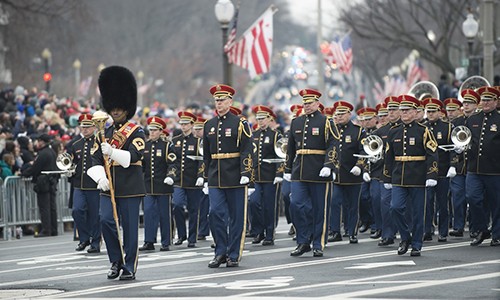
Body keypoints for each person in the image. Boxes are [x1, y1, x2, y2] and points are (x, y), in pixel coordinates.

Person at [87, 65, 146, 280]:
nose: (115, 111)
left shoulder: (137, 131)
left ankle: (129, 265)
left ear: (127, 108)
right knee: (106, 221)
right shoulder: (104, 132)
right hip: (108, 186)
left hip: (130, 186)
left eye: (120, 107)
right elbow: (93, 159)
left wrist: (112, 151)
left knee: (130, 230)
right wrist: (100, 178)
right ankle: (115, 261)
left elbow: (133, 157)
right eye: (113, 107)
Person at [203, 84, 253, 268]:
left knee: (236, 217)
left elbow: (247, 149)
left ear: (230, 101)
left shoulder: (240, 124)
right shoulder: (209, 125)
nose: (219, 103)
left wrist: (246, 172)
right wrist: (205, 178)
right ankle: (220, 251)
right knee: (214, 213)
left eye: (222, 100)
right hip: (216, 176)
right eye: (216, 100)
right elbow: (206, 155)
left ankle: (233, 254)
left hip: (235, 176)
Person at [383, 95, 438, 257]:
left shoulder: (423, 130)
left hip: (418, 177)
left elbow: (432, 153)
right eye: (403, 110)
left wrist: (432, 174)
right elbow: (388, 156)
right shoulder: (393, 131)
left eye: (408, 110)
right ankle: (405, 237)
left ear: (415, 112)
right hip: (398, 176)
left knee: (417, 212)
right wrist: (387, 177)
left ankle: (416, 244)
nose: (405, 112)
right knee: (395, 208)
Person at [285, 88, 337, 257]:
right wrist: (287, 169)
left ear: (317, 103)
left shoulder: (326, 121)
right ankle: (302, 241)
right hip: (299, 170)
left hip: (319, 170)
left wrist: (329, 165)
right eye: (304, 103)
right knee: (296, 205)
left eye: (309, 103)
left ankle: (318, 243)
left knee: (318, 209)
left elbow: (333, 144)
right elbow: (291, 149)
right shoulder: (296, 122)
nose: (306, 106)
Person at [464, 86, 500, 246]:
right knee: (473, 198)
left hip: (495, 169)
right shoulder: (473, 119)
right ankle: (482, 229)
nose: (485, 102)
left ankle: (497, 234)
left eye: (488, 100)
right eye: (483, 100)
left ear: (496, 102)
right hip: (474, 168)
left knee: (496, 203)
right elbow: (467, 140)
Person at [329, 101, 366, 244]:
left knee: (352, 205)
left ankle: (352, 232)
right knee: (334, 201)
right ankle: (335, 231)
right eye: (337, 114)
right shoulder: (331, 129)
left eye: (342, 114)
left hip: (352, 173)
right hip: (336, 174)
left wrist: (360, 166)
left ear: (349, 114)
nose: (338, 116)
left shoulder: (358, 131)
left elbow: (364, 151)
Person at [139, 116, 176, 252]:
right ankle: (149, 241)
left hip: (163, 186)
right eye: (151, 130)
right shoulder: (145, 146)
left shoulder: (167, 146)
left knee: (164, 214)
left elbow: (173, 163)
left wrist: (170, 175)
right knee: (148, 213)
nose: (152, 132)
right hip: (148, 186)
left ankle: (166, 241)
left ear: (161, 131)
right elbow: (141, 166)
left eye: (155, 130)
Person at [248, 105, 283, 246]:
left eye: (263, 119)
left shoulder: (275, 135)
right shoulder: (253, 135)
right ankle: (258, 231)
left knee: (269, 205)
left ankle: (269, 234)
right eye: (258, 119)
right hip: (256, 176)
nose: (260, 121)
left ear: (269, 119)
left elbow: (281, 155)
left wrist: (279, 173)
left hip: (270, 176)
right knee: (254, 202)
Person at [67, 113, 101, 253]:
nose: (85, 129)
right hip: (79, 184)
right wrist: (69, 170)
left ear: (94, 127)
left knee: (95, 215)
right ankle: (84, 238)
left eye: (88, 126)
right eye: (83, 127)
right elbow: (72, 162)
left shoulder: (99, 143)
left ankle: (96, 242)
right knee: (77, 210)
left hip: (94, 185)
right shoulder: (75, 144)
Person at [169, 111, 204, 248]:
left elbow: (202, 161)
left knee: (193, 210)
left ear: (192, 125)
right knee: (177, 205)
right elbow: (173, 160)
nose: (183, 126)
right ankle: (181, 234)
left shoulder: (198, 141)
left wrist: (201, 176)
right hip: (179, 180)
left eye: (186, 124)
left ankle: (192, 238)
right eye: (182, 124)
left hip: (193, 180)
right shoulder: (175, 141)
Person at [421, 98, 452, 242]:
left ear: (440, 112)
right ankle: (427, 230)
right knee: (427, 203)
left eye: (433, 111)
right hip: (427, 172)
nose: (431, 114)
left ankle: (443, 231)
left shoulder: (447, 127)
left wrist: (453, 165)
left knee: (442, 203)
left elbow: (453, 149)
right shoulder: (423, 127)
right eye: (429, 111)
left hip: (443, 170)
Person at [372, 96, 400, 246]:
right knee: (384, 203)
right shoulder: (381, 131)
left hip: (406, 172)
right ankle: (387, 234)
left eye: (394, 110)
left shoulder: (410, 128)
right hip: (386, 172)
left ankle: (406, 231)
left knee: (404, 205)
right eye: (389, 110)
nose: (391, 113)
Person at [21, 133, 58, 237]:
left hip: (43, 183)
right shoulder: (52, 152)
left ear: (42, 142)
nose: (37, 142)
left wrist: (23, 173)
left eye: (39, 141)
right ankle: (53, 229)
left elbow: (35, 168)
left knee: (44, 207)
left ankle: (46, 229)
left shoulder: (42, 154)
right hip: (51, 182)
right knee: (52, 207)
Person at [445, 95, 467, 238]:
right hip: (458, 167)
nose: (451, 113)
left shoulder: (473, 120)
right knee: (457, 198)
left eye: (454, 110)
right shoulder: (454, 124)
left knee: (474, 198)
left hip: (472, 166)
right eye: (449, 110)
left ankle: (478, 226)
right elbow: (451, 147)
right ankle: (458, 226)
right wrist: (453, 164)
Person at [356, 107, 379, 236]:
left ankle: (375, 224)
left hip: (377, 170)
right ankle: (366, 220)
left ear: (375, 119)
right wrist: (363, 169)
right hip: (365, 169)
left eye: (369, 119)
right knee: (363, 197)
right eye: (364, 120)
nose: (366, 122)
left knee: (375, 198)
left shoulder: (379, 132)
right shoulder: (362, 134)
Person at [192, 116, 210, 240]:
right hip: (192, 179)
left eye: (200, 129)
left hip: (206, 177)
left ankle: (203, 230)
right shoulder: (192, 141)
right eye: (196, 129)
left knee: (205, 207)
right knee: (198, 206)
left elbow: (205, 161)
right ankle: (199, 230)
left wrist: (203, 177)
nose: (197, 131)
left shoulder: (208, 141)